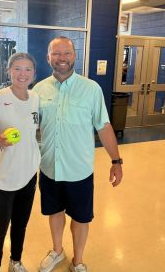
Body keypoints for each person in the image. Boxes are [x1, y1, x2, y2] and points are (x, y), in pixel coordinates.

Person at [33, 36, 123, 272]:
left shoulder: (91, 89)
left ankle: (78, 260)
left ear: (74, 56)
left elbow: (103, 126)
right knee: (54, 212)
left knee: (81, 218)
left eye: (66, 53)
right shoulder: (38, 90)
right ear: (48, 57)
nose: (61, 59)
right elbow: (30, 127)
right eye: (56, 54)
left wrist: (116, 160)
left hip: (79, 169)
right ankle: (57, 251)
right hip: (50, 166)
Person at [0, 52, 41, 272]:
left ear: (34, 73)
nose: (23, 74)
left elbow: (33, 132)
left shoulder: (35, 98)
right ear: (9, 71)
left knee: (21, 224)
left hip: (29, 173)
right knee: (0, 226)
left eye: (28, 69)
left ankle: (15, 261)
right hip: (2, 176)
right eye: (18, 69)